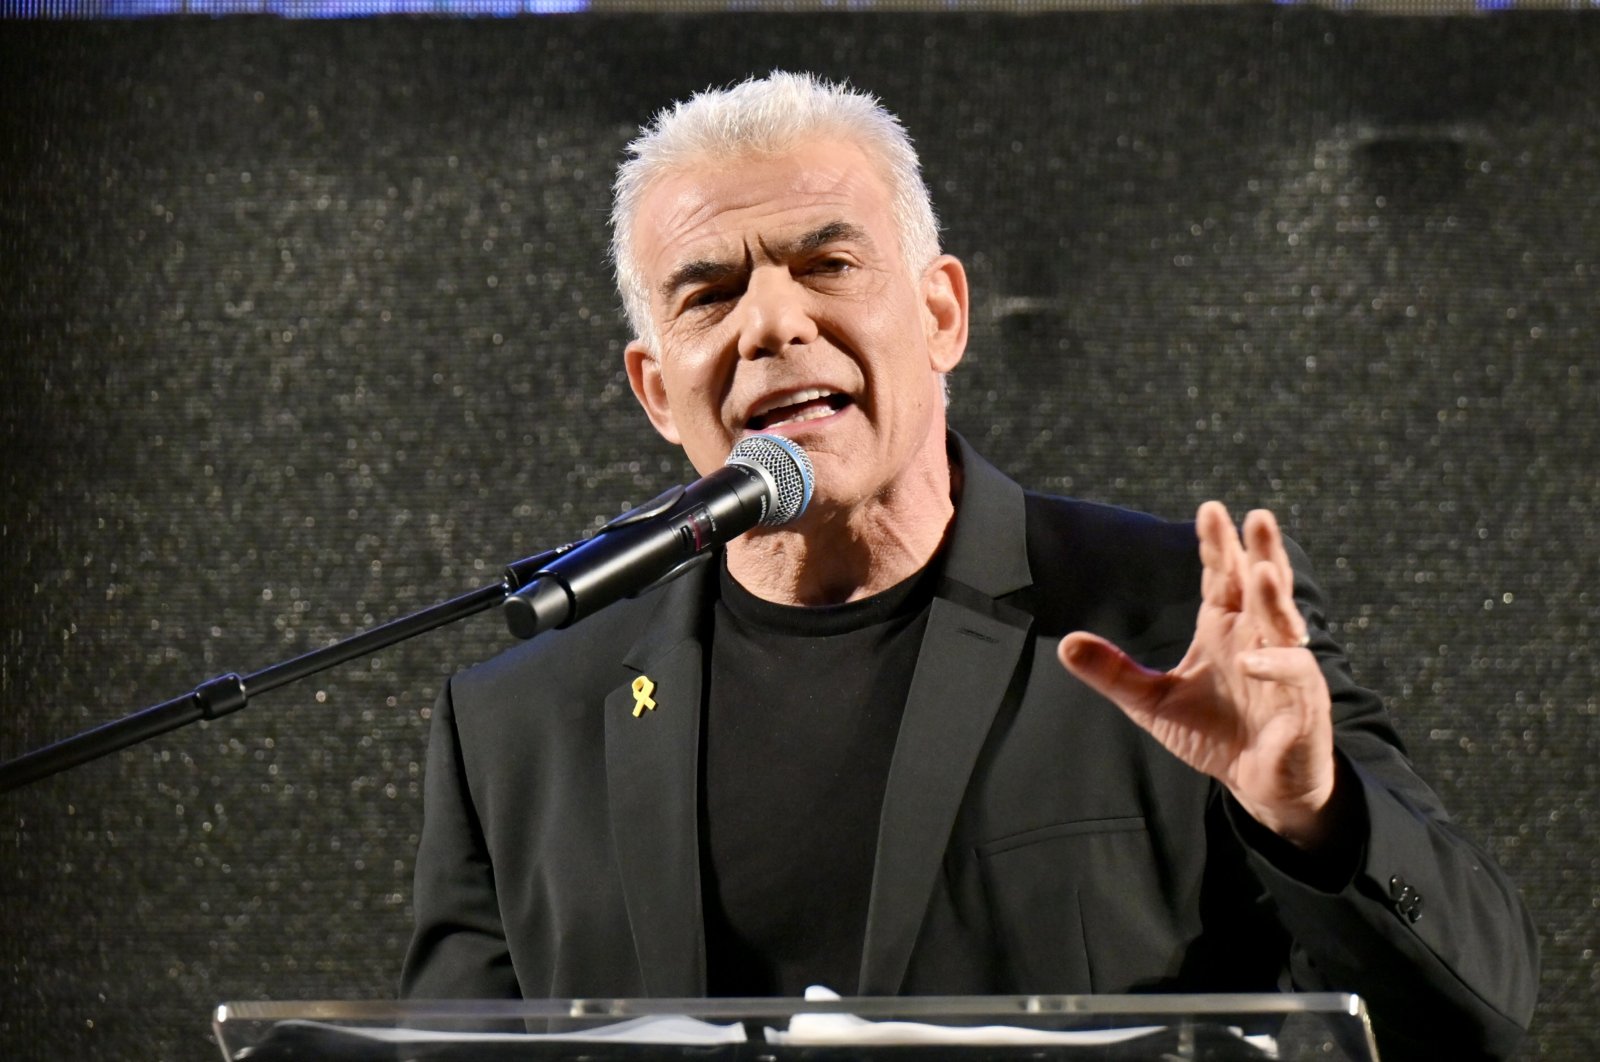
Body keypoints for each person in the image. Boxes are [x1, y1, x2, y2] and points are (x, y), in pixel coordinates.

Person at [401, 72, 1538, 1060]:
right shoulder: (524, 722)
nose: (773, 323)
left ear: (941, 314)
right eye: (710, 292)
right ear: (658, 389)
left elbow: (1473, 1016)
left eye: (827, 263)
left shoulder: (1172, 622)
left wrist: (1311, 812)